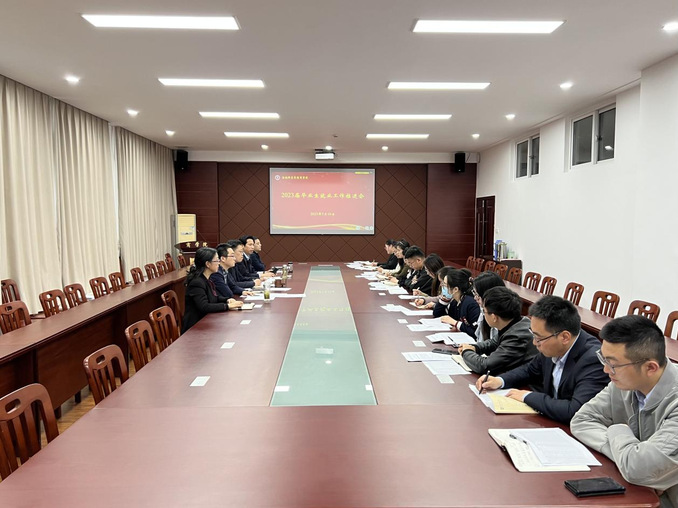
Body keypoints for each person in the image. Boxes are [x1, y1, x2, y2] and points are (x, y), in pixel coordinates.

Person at [571, 315, 678, 507]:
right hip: (641, 493)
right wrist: (627, 456)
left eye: (612, 364)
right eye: (603, 359)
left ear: (650, 367)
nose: (606, 370)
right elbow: (581, 420)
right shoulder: (625, 382)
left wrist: (618, 429)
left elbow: (637, 469)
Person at [475, 296, 609, 424]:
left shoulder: (593, 360)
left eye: (538, 338)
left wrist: (526, 396)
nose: (534, 343)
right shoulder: (552, 344)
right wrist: (499, 381)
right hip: (550, 419)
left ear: (565, 337)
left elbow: (575, 410)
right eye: (533, 335)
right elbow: (529, 370)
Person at [458, 286, 536, 374]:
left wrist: (466, 352)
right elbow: (493, 342)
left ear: (494, 317)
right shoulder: (517, 322)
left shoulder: (517, 337)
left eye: (484, 311)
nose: (483, 314)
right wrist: (474, 347)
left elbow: (484, 366)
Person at [182, 247, 242, 333]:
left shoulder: (207, 279)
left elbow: (214, 297)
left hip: (207, 322)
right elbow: (204, 306)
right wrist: (227, 306)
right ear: (208, 264)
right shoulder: (197, 282)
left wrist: (227, 300)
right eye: (216, 260)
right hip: (195, 327)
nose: (219, 263)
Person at [433, 268, 480, 337]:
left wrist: (456, 323)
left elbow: (475, 332)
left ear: (455, 289)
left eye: (444, 284)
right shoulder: (455, 302)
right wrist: (444, 300)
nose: (441, 286)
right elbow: (438, 314)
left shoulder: (471, 303)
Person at [471, 271, 506, 343]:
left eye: (477, 295)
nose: (475, 298)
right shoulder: (483, 310)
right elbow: (480, 341)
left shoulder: (502, 319)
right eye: (474, 293)